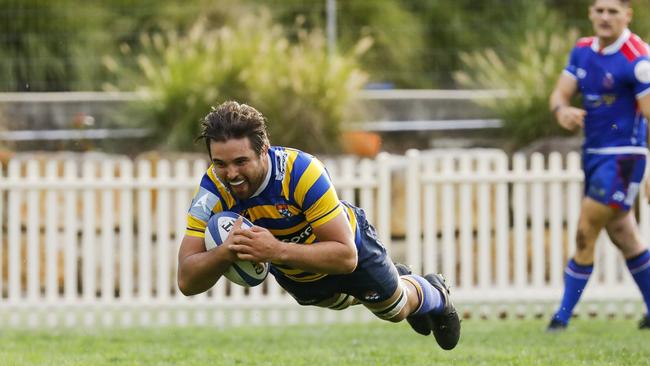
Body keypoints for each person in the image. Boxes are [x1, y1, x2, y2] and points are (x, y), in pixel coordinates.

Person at [176, 101, 461, 349]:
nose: (232, 174)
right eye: (221, 164)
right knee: (344, 300)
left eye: (241, 161)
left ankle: (434, 292)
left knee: (395, 309)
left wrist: (275, 250)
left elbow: (346, 256)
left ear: (264, 150)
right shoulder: (211, 192)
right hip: (298, 273)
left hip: (349, 247)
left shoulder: (301, 172)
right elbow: (186, 281)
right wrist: (225, 252)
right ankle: (394, 278)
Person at [548, 0, 650, 331]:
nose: (605, 17)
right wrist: (562, 111)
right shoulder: (581, 51)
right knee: (625, 236)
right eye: (599, 10)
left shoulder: (638, 58)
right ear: (590, 13)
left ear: (627, 15)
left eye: (613, 11)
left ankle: (560, 318)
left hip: (624, 156)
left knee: (585, 229)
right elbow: (559, 96)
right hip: (593, 154)